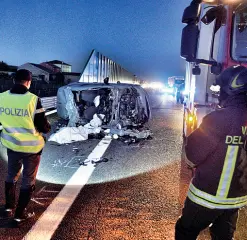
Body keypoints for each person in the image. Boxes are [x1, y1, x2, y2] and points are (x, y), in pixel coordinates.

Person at [175, 65, 247, 240]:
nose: (218, 93)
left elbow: (193, 154)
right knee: (223, 235)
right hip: (237, 197)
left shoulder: (218, 118)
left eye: (220, 88)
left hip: (208, 196)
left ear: (231, 90)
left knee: (185, 230)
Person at [0, 69, 51, 224]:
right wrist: (48, 129)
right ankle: (19, 214)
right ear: (29, 82)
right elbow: (43, 126)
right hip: (32, 149)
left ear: (14, 80)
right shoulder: (33, 100)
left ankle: (9, 208)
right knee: (28, 180)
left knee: (11, 175)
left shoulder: (1, 97)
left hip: (12, 145)